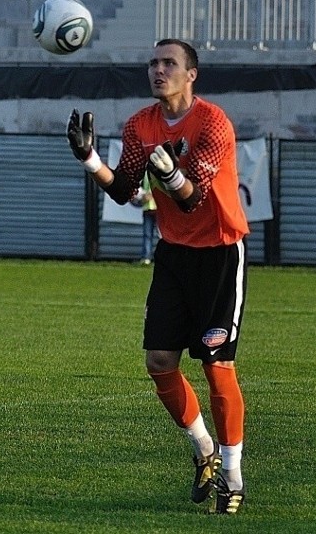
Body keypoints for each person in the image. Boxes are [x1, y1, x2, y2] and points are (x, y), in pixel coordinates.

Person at [66, 39, 248, 515]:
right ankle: (203, 448)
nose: (158, 69)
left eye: (169, 63)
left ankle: (232, 477)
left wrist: (167, 173)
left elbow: (192, 197)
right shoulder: (140, 125)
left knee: (216, 365)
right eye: (153, 62)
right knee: (160, 362)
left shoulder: (212, 123)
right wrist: (89, 159)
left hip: (219, 254)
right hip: (173, 254)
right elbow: (125, 190)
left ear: (192, 74)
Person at [132, 173, 158, 265]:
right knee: (147, 235)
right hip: (147, 208)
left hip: (159, 209)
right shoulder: (145, 173)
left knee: (162, 235)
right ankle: (146, 257)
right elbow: (138, 188)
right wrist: (142, 196)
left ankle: (163, 257)